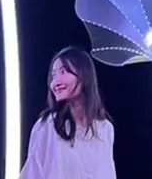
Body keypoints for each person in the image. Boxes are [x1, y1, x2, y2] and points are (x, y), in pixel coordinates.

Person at [19, 46, 117, 179]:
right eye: (53, 75)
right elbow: (32, 173)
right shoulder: (48, 125)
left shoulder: (105, 129)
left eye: (63, 72)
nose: (55, 82)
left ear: (83, 75)